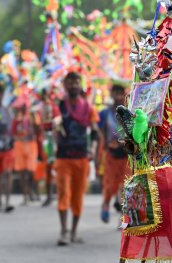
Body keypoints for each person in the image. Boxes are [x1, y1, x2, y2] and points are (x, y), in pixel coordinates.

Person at [54, 72, 99, 245]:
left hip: (81, 158)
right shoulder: (59, 106)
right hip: (63, 157)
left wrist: (93, 150)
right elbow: (51, 127)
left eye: (76, 82)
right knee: (63, 193)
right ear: (65, 85)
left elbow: (95, 131)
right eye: (70, 82)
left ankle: (73, 232)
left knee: (78, 196)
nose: (73, 85)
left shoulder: (88, 108)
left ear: (79, 85)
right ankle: (63, 231)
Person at [98, 84, 130, 223]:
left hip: (126, 154)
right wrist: (98, 156)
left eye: (120, 93)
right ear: (111, 95)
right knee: (110, 184)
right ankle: (105, 204)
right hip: (111, 154)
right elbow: (102, 135)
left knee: (126, 185)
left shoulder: (130, 112)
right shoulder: (105, 114)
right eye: (115, 93)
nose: (117, 96)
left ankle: (123, 215)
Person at [11, 95, 41, 205]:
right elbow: (13, 133)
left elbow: (39, 129)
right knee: (22, 172)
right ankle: (25, 196)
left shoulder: (32, 117)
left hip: (31, 145)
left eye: (24, 105)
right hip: (19, 146)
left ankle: (34, 192)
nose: (23, 108)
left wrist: (34, 119)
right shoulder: (16, 119)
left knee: (32, 171)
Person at [0, 84, 14, 213]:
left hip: (7, 147)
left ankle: (7, 202)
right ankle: (0, 201)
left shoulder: (6, 110)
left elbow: (11, 127)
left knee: (8, 173)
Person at [38, 89, 60, 207]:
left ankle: (56, 194)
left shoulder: (54, 107)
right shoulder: (40, 107)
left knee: (55, 167)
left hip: (52, 137)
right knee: (48, 167)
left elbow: (57, 121)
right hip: (46, 137)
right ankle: (49, 195)